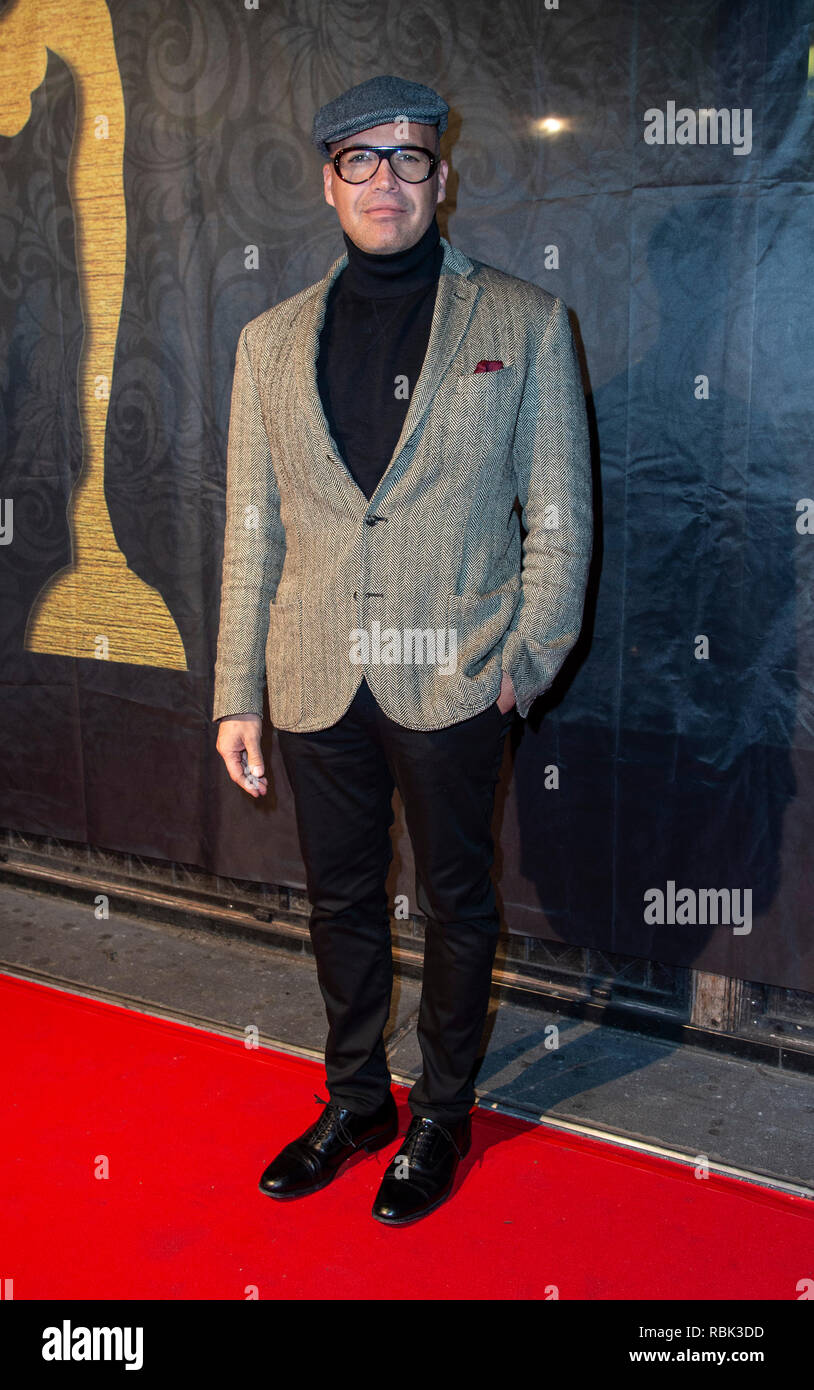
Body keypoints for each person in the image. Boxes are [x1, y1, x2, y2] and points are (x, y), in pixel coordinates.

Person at [213, 74, 593, 1225]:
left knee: (458, 902)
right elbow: (250, 527)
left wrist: (525, 658)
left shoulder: (524, 323)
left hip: (457, 671)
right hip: (316, 670)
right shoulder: (268, 342)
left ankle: (440, 1113)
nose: (387, 180)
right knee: (338, 901)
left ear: (444, 174)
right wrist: (237, 686)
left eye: (409, 158)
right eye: (362, 160)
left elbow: (561, 518)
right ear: (329, 181)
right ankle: (354, 1099)